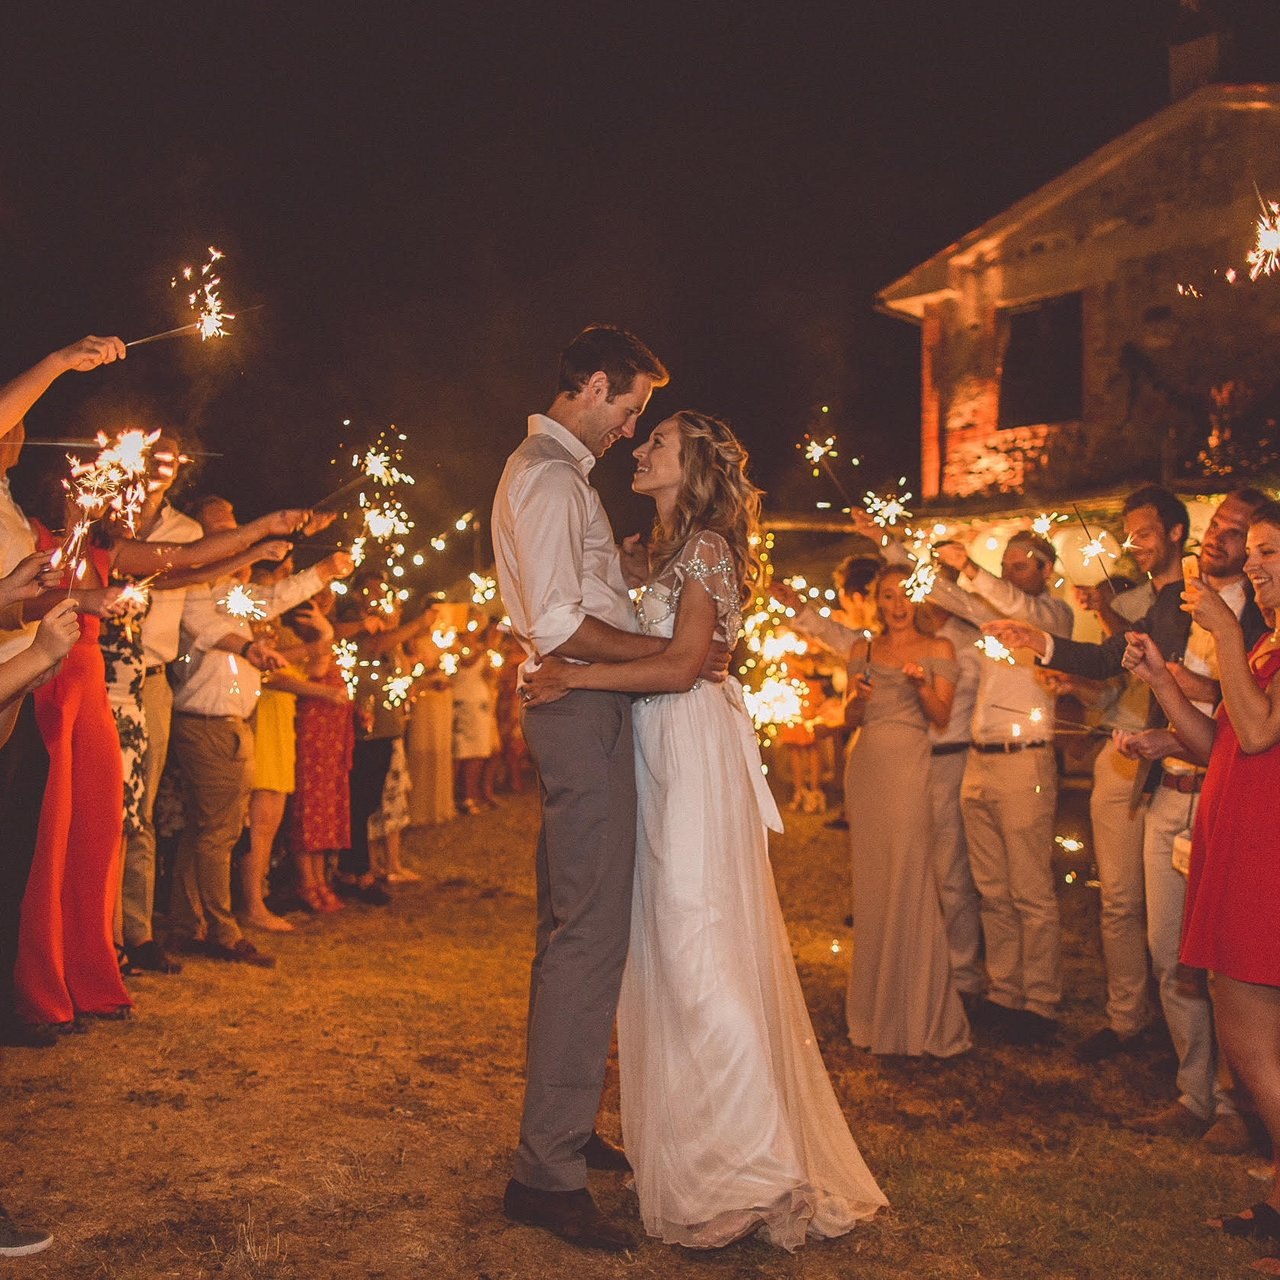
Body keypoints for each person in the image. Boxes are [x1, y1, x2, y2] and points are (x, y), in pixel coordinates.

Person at [526, 410, 886, 1249]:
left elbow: (687, 664)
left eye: (658, 443)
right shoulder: (636, 552)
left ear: (694, 467)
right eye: (643, 437)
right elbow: (629, 639)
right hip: (644, 743)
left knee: (697, 944)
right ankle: (696, 1152)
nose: (640, 449)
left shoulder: (709, 549)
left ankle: (752, 1170)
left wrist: (577, 674)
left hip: (689, 748)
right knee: (659, 952)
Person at [989, 488, 1268, 1142]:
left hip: (1231, 797)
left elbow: (1243, 715)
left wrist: (1189, 683)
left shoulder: (1255, 621)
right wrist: (1045, 643)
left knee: (1234, 964)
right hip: (1167, 788)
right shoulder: (1174, 604)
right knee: (1170, 950)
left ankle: (1241, 1106)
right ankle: (1195, 1092)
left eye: (1245, 537)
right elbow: (1122, 660)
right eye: (1220, 528)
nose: (1224, 541)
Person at [492, 324, 673, 1252]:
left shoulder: (550, 474)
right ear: (596, 384)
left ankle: (559, 1128)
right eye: (632, 406)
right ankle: (546, 1173)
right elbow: (564, 625)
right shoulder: (553, 476)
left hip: (572, 708)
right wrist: (669, 654)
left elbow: (575, 603)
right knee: (589, 935)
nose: (631, 427)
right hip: (580, 710)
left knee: (569, 925)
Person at [1121, 499, 1280, 1268]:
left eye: (1269, 552)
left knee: (1243, 1021)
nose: (1252, 562)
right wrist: (1160, 680)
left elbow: (1256, 731)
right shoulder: (1266, 642)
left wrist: (1220, 630)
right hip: (1238, 835)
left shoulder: (1259, 640)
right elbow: (1220, 740)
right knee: (1247, 1016)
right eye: (1251, 551)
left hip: (1269, 848)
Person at [778, 567, 969, 1057]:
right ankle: (874, 1014)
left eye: (904, 594)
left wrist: (922, 685)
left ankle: (921, 1014)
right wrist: (858, 701)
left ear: (916, 599)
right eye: (888, 596)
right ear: (878, 602)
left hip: (909, 767)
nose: (897, 604)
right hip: (865, 769)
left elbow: (942, 717)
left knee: (912, 878)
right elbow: (849, 719)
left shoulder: (940, 649)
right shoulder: (862, 648)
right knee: (874, 885)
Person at [167, 495, 351, 968]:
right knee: (218, 832)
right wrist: (250, 647)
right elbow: (204, 628)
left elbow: (270, 600)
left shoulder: (230, 587)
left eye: (235, 524)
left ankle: (189, 923)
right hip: (205, 722)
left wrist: (323, 572)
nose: (232, 533)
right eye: (220, 527)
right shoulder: (194, 584)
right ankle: (222, 930)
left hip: (228, 721)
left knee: (208, 829)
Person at [928, 530, 1074, 1043]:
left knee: (1030, 888)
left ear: (1047, 569)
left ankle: (1040, 1002)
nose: (1012, 573)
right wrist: (892, 545)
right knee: (991, 888)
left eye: (1023, 564)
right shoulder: (990, 616)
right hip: (979, 761)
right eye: (1007, 564)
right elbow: (943, 594)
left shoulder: (1056, 617)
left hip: (1025, 762)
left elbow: (1010, 603)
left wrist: (970, 568)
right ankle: (1004, 992)